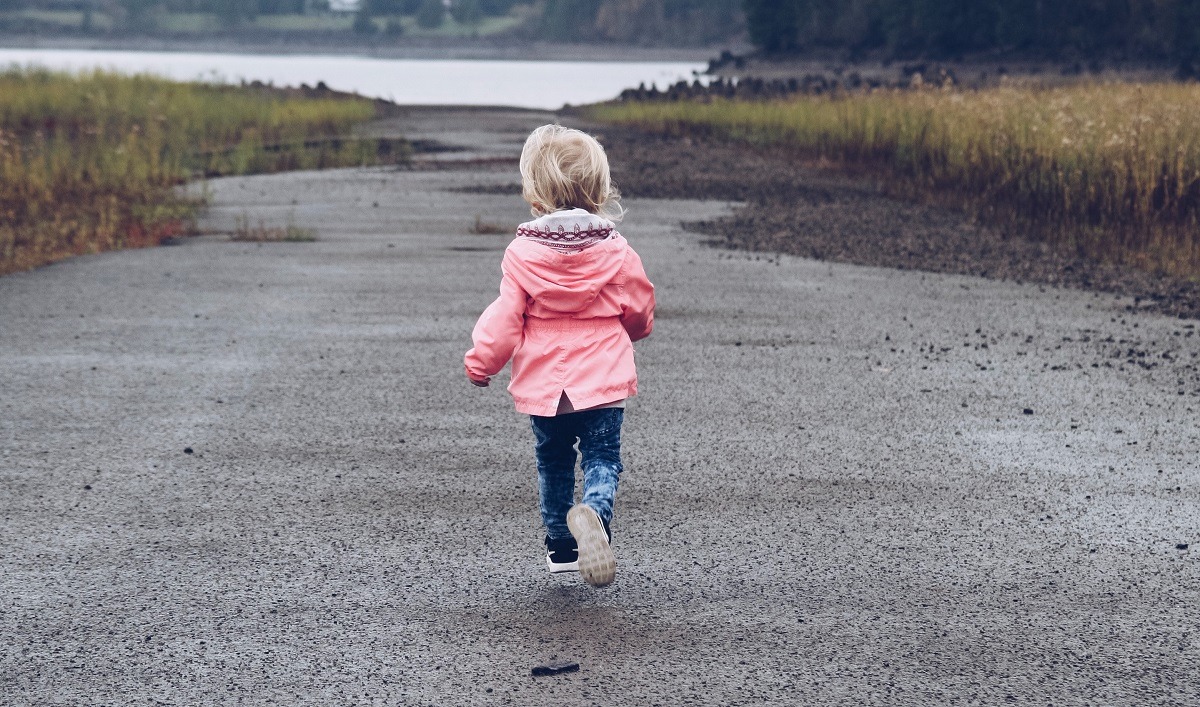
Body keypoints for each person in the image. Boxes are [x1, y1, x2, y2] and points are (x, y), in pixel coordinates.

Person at [464, 124, 655, 588]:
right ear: (598, 190)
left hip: (546, 383)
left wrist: (482, 361)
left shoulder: (522, 254)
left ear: (536, 194)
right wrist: (631, 332)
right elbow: (640, 307)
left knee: (552, 460)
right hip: (603, 377)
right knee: (602, 456)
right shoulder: (616, 250)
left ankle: (561, 545)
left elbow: (506, 317)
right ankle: (595, 513)